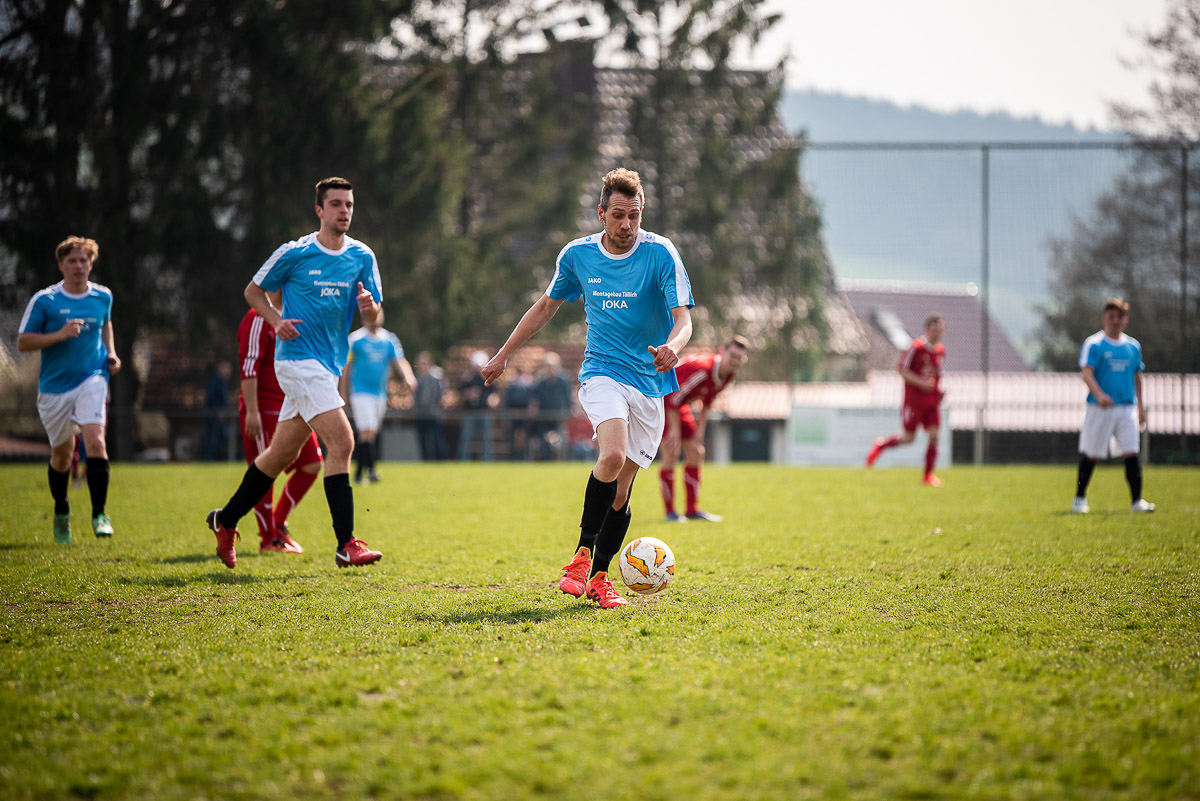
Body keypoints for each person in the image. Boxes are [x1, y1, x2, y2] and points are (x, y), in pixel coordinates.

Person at [483, 167, 694, 609]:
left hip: (650, 382)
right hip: (602, 372)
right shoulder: (578, 255)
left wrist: (673, 347)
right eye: (618, 215)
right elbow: (545, 308)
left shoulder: (661, 253)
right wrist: (503, 355)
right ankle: (581, 556)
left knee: (622, 490)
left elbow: (684, 319)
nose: (626, 224)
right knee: (611, 456)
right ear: (601, 213)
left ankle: (600, 577)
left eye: (634, 215)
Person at [204, 176, 385, 569]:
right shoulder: (295, 252)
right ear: (319, 210)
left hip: (328, 366)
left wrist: (369, 308)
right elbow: (253, 291)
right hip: (298, 360)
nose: (344, 211)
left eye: (349, 205)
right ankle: (346, 544)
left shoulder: (362, 256)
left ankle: (225, 519)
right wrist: (276, 320)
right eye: (335, 204)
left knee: (279, 454)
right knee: (343, 442)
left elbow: (374, 315)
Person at [17, 236, 121, 543]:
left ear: (91, 263)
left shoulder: (103, 296)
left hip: (93, 377)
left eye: (83, 260)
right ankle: (61, 510)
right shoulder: (45, 301)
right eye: (72, 261)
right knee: (62, 457)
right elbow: (23, 342)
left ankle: (99, 514)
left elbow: (105, 324)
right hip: (54, 388)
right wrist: (59, 335)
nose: (79, 266)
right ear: (61, 264)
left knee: (96, 442)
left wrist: (111, 353)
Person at [237, 305, 323, 554]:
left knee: (312, 463)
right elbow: (249, 365)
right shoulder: (257, 316)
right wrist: (252, 411)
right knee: (265, 471)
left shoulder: (296, 310)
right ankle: (268, 539)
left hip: (294, 403)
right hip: (264, 406)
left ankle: (277, 523)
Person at [1072, 297, 1155, 514]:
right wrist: (1100, 395)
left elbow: (1137, 376)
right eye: (1111, 316)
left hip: (1126, 408)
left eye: (1119, 317)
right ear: (1104, 318)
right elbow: (1086, 373)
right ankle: (1079, 498)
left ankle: (1136, 501)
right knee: (1091, 454)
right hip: (1100, 408)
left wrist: (1141, 406)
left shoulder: (1132, 346)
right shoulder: (1094, 344)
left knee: (1132, 452)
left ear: (1125, 320)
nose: (1115, 320)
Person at [659, 335, 750, 522]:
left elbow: (707, 402)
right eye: (733, 356)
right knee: (671, 451)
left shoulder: (729, 374)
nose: (735, 361)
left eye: (739, 359)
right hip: (662, 399)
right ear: (722, 351)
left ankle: (692, 510)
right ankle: (670, 512)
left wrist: (700, 432)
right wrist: (674, 431)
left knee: (696, 451)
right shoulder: (703, 370)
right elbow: (673, 397)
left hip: (678, 405)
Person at [866, 313, 947, 486]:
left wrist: (939, 391)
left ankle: (928, 476)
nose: (937, 333)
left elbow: (934, 376)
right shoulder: (915, 348)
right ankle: (881, 445)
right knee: (909, 438)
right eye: (934, 329)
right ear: (927, 330)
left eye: (940, 329)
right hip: (914, 401)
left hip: (931, 402)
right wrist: (922, 383)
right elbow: (901, 369)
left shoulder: (941, 351)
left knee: (934, 435)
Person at [342, 317, 417, 483]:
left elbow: (399, 361)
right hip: (360, 392)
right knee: (367, 430)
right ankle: (371, 470)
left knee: (370, 434)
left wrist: (409, 376)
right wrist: (343, 392)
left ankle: (358, 473)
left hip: (380, 394)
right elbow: (346, 366)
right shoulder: (355, 339)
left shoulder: (389, 339)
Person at [532, 351, 573, 460]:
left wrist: (570, 410)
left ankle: (563, 460)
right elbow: (536, 398)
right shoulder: (541, 381)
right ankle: (545, 460)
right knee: (543, 441)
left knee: (561, 440)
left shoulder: (564, 380)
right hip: (544, 416)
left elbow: (568, 397)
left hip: (559, 416)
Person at [457, 350, 496, 461]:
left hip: (484, 412)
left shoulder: (489, 378)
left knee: (486, 439)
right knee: (466, 438)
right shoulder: (467, 379)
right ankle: (463, 461)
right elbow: (460, 395)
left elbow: (494, 395)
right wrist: (469, 394)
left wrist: (492, 400)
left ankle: (487, 461)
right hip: (470, 412)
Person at [413, 352, 448, 461]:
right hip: (420, 414)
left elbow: (439, 395)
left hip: (433, 414)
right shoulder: (416, 379)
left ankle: (440, 460)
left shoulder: (435, 379)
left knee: (437, 439)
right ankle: (425, 460)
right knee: (422, 440)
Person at [503, 364, 536, 460]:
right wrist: (507, 417)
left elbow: (533, 400)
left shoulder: (529, 386)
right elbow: (507, 402)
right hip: (514, 415)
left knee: (526, 436)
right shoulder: (512, 387)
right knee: (513, 437)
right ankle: (514, 456)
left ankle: (525, 456)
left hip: (525, 416)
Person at [202, 360, 232, 461]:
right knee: (212, 441)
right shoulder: (215, 383)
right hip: (213, 417)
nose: (228, 371)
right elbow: (212, 399)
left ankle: (217, 459)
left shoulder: (223, 384)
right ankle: (208, 460)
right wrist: (219, 412)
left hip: (220, 418)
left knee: (222, 439)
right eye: (225, 368)